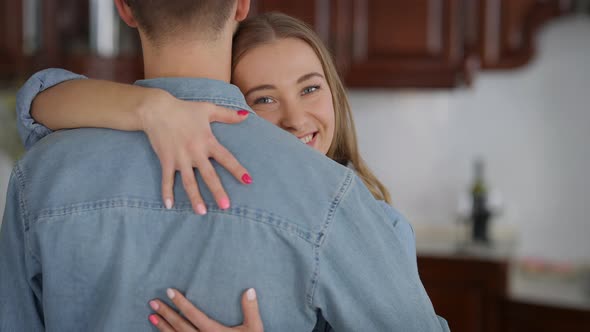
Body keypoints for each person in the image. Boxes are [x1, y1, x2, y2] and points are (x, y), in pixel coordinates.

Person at [1, 2, 449, 332]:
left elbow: (35, 104)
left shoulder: (38, 177)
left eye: (310, 88)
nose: (294, 119)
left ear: (125, 9)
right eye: (266, 98)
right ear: (240, 6)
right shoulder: (331, 199)